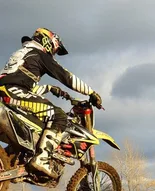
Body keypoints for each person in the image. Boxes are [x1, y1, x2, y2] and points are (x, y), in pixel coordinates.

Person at [0, 27, 102, 178]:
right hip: (13, 91)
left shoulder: (25, 52)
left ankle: (12, 158)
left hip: (9, 91)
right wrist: (91, 92)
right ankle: (42, 158)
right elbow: (66, 76)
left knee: (36, 123)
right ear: (48, 42)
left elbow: (23, 81)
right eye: (55, 49)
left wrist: (49, 88)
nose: (54, 54)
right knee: (58, 116)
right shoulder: (39, 54)